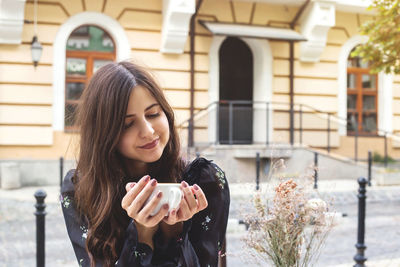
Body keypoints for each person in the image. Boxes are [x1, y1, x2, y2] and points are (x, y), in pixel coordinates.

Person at [60, 61, 230, 267]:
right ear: (103, 135)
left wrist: (175, 231)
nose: (148, 131)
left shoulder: (204, 181)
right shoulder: (81, 189)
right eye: (128, 124)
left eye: (153, 114)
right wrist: (141, 234)